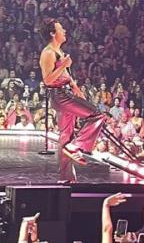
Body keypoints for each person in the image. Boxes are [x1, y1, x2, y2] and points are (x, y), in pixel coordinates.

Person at [38, 19, 106, 183]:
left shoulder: (59, 51)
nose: (65, 31)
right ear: (53, 33)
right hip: (60, 95)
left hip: (65, 92)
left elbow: (65, 75)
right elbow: (47, 80)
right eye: (61, 29)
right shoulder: (48, 53)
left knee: (65, 136)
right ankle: (76, 146)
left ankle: (66, 178)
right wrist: (64, 66)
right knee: (97, 115)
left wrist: (76, 87)